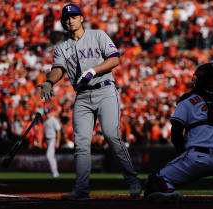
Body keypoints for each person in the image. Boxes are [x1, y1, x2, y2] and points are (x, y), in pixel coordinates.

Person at [37, 3, 141, 200]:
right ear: (63, 22)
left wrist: (93, 70)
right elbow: (59, 69)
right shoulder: (62, 48)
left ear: (81, 18)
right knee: (81, 143)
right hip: (82, 96)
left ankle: (133, 180)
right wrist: (50, 81)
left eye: (74, 17)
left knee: (112, 135)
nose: (70, 20)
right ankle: (82, 189)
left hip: (105, 90)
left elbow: (114, 59)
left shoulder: (98, 35)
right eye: (67, 18)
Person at [144, 63, 213, 202]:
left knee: (155, 180)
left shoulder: (187, 100)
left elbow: (176, 131)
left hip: (198, 158)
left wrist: (181, 153)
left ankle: (168, 191)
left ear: (203, 80)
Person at [43, 109, 61, 178]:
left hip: (53, 139)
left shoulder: (53, 119)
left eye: (47, 113)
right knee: (51, 157)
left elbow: (58, 130)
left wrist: (58, 141)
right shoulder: (45, 121)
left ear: (50, 113)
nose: (47, 114)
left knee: (49, 156)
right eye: (45, 113)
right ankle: (54, 172)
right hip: (47, 140)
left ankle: (55, 173)